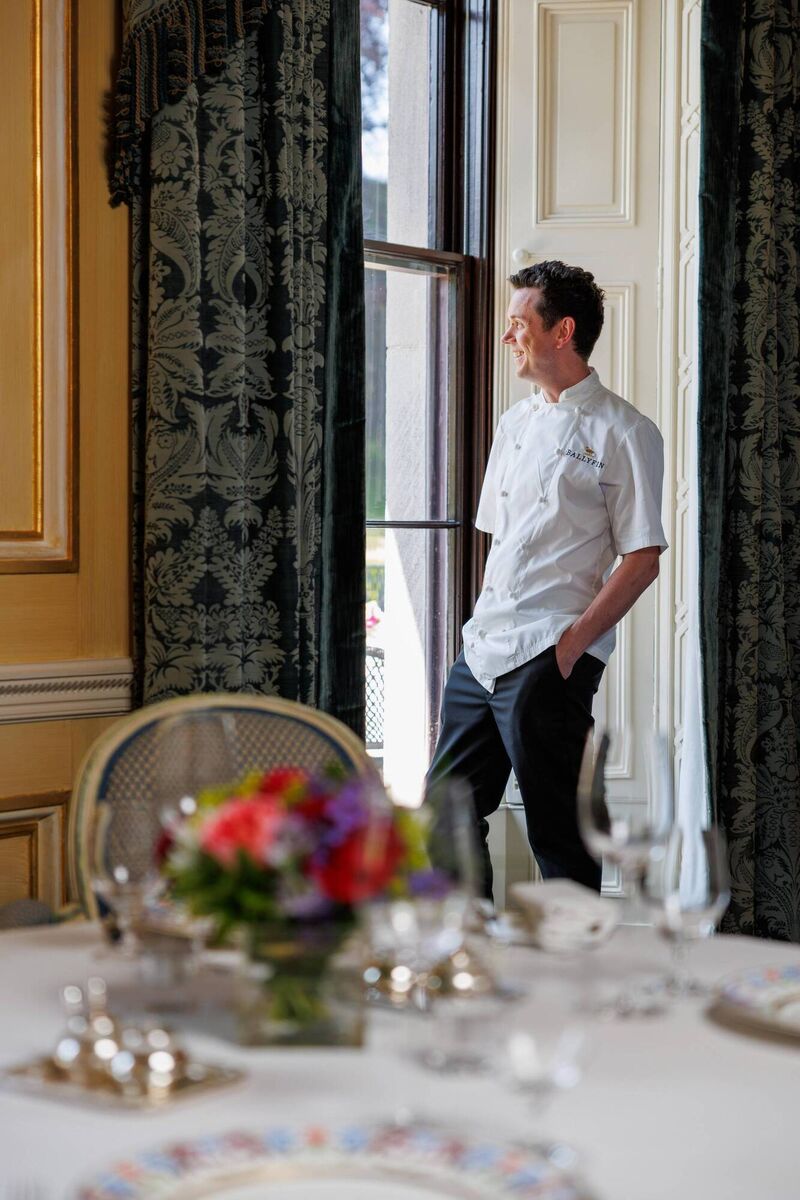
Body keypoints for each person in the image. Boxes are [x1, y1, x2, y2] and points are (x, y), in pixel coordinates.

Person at [426, 260, 667, 899]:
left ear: (562, 332)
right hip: (482, 652)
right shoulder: (515, 424)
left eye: (518, 324)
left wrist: (568, 648)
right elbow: (503, 540)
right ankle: (471, 956)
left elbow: (643, 557)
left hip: (547, 657)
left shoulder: (626, 431)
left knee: (559, 835)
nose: (508, 338)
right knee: (443, 820)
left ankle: (578, 981)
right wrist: (479, 627)